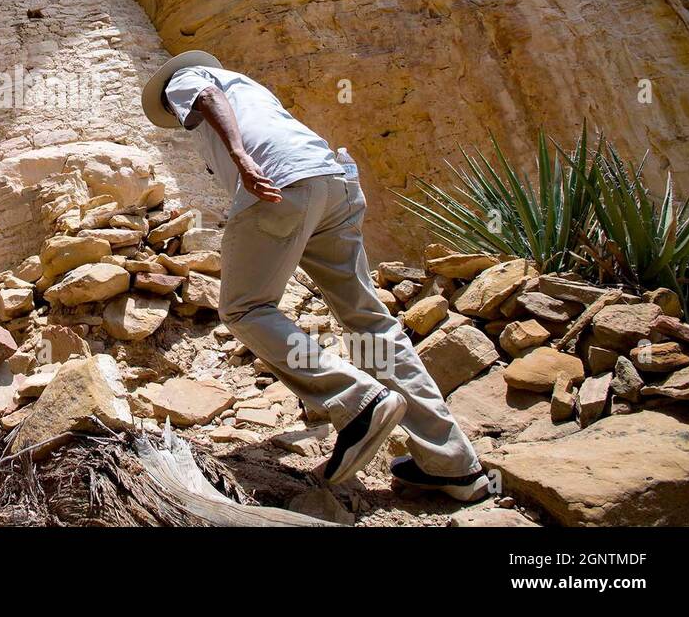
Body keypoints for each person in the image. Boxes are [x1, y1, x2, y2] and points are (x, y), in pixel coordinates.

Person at [141, 50, 488, 499]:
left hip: (279, 184)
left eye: (173, 112)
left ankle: (357, 402)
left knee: (246, 309)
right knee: (368, 320)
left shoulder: (187, 78)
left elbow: (204, 95)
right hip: (334, 182)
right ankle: (454, 465)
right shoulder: (251, 89)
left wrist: (241, 157)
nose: (177, 115)